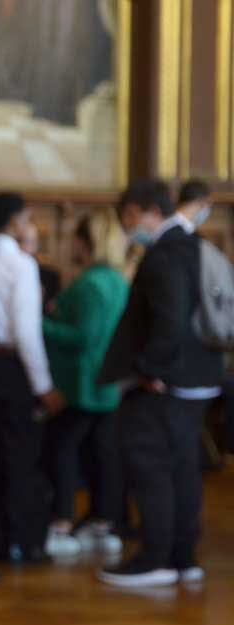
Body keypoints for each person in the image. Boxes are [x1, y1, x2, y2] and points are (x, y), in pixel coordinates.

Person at [98, 178, 222, 587]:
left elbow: (169, 320)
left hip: (168, 381)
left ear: (139, 211)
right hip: (198, 375)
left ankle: (156, 558)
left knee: (151, 466)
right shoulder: (193, 244)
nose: (127, 225)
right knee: (182, 468)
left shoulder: (165, 253)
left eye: (127, 218)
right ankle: (182, 556)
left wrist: (150, 369)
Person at [0, 192, 64, 564]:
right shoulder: (20, 263)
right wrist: (44, 385)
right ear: (16, 222)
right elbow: (26, 331)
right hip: (12, 367)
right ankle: (24, 541)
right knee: (21, 455)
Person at [42, 209, 129, 557]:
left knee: (62, 451)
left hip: (82, 382)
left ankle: (62, 521)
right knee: (101, 453)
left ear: (85, 242)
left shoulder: (92, 282)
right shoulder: (116, 280)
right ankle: (102, 520)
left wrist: (39, 323)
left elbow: (83, 336)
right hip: (105, 381)